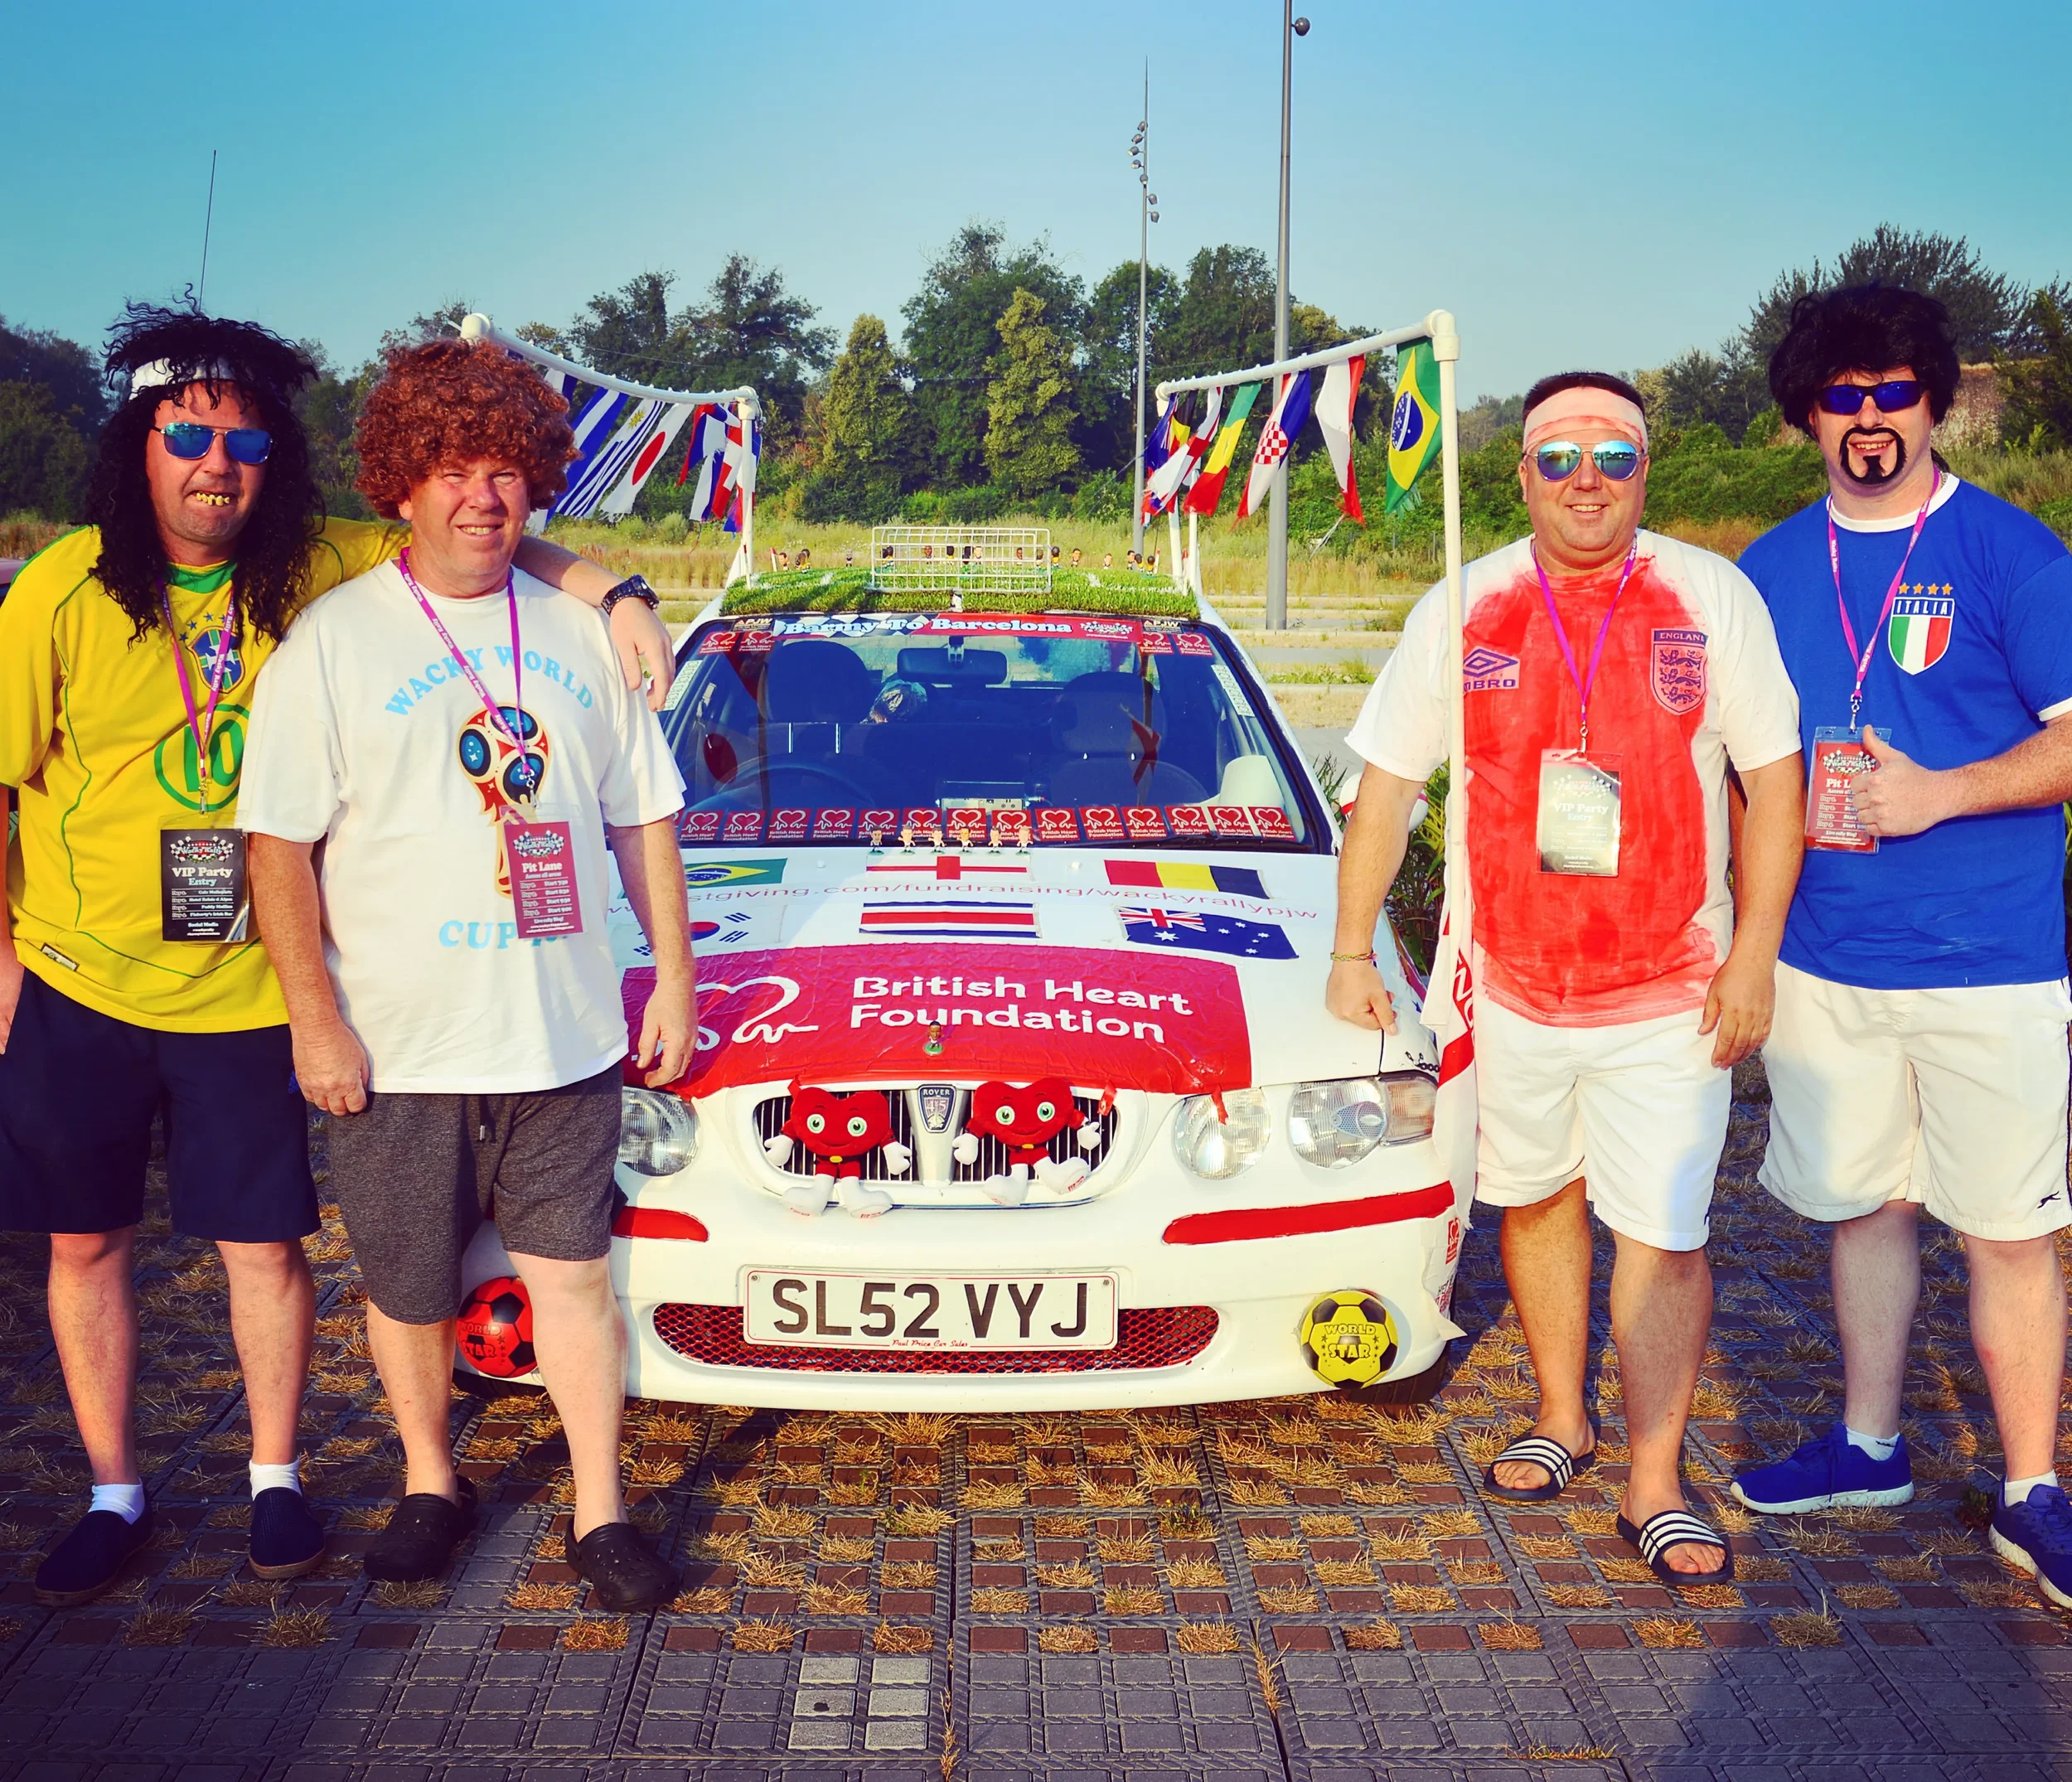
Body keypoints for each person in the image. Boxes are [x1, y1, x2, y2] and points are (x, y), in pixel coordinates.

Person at [0, 306, 670, 1608]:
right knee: (84, 1245)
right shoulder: (57, 588)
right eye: (186, 431)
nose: (217, 461)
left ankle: (275, 1474)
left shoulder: (311, 564)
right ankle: (112, 1489)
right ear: (137, 442)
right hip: (82, 976)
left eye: (244, 437)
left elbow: (489, 517)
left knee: (266, 1249)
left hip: (253, 990)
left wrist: (623, 591)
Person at [1329, 372, 1805, 1583]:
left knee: (1662, 1231)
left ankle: (1655, 1477)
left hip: (1672, 993)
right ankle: (1559, 1414)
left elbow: (1776, 782)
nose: (1587, 477)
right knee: (1534, 1203)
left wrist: (1754, 954)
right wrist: (1349, 950)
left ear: (1648, 467)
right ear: (1524, 471)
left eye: (1613, 453)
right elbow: (1387, 784)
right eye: (1558, 456)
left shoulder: (1713, 595)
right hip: (1512, 985)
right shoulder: (1468, 601)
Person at [241, 339, 693, 1606]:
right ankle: (433, 1479)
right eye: (449, 466)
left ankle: (600, 1510)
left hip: (559, 1039)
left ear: (535, 479)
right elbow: (277, 848)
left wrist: (674, 976)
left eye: (503, 467)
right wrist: (313, 1022)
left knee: (573, 1282)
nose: (480, 494)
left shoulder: (585, 629)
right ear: (400, 482)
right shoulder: (331, 644)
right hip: (398, 1047)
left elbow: (641, 819)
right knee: (408, 1287)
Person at [1727, 287, 2072, 1607]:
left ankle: (2031, 1489)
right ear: (1808, 415)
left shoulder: (2010, 552)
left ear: (1932, 402)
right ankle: (1870, 1445)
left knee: (2005, 1227)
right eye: (1841, 397)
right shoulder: (1767, 565)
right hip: (1827, 957)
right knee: (1865, 1203)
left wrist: (1943, 790)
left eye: (1893, 395)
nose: (1869, 421)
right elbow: (1737, 758)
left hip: (1988, 961)